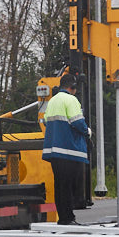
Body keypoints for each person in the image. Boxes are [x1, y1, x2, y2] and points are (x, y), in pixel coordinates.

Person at [42, 73, 91, 225]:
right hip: (69, 151)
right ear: (73, 87)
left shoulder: (52, 101)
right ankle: (69, 218)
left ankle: (63, 217)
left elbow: (44, 122)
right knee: (70, 186)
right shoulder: (71, 99)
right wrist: (88, 132)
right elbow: (78, 122)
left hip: (53, 152)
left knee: (60, 186)